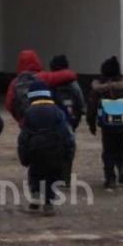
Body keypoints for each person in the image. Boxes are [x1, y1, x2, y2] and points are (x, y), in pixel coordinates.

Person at [17, 81, 75, 215]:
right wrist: (69, 152)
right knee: (51, 176)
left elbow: (24, 136)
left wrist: (23, 155)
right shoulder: (57, 111)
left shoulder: (29, 112)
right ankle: (48, 203)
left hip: (35, 151)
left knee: (35, 174)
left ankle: (35, 196)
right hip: (54, 150)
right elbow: (66, 134)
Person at [87, 56, 123, 188]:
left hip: (106, 124)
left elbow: (91, 107)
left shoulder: (99, 88)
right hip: (122, 123)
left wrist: (91, 124)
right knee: (121, 147)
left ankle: (110, 178)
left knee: (108, 150)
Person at [5, 50, 78, 125]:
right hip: (43, 118)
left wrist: (20, 119)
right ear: (36, 61)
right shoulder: (43, 76)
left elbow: (8, 104)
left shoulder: (14, 82)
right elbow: (67, 75)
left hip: (25, 121)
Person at [48, 55, 85, 184]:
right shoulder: (73, 82)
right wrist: (76, 118)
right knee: (68, 147)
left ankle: (54, 175)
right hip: (69, 120)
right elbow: (80, 102)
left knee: (53, 147)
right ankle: (65, 177)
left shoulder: (50, 82)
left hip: (54, 120)